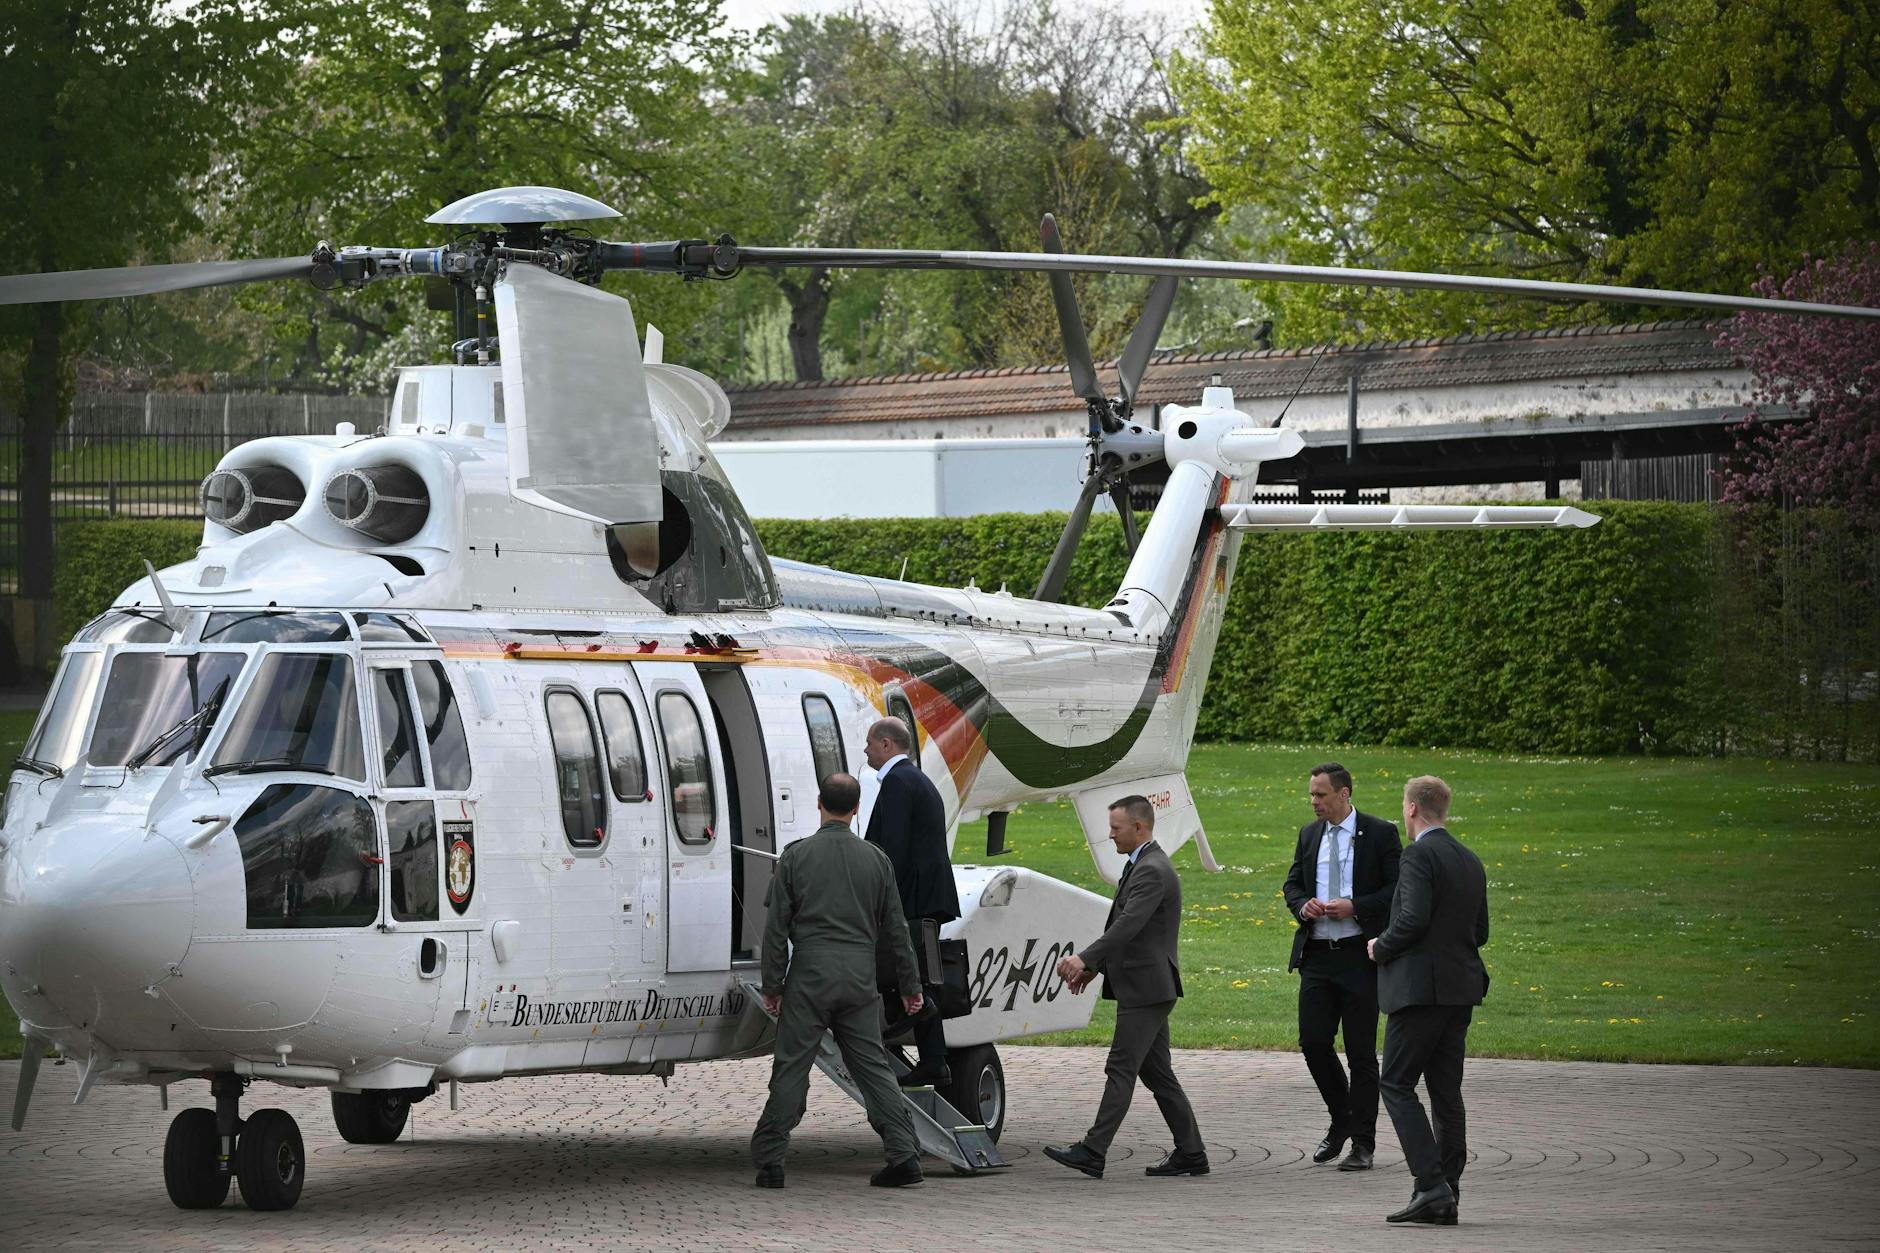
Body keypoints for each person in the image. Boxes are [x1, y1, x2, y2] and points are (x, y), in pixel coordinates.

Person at [750, 772, 928, 1190]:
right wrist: (910, 986)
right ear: (856, 808)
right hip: (859, 976)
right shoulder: (876, 859)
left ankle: (771, 1159)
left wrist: (773, 986)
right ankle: (903, 1152)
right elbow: (897, 930)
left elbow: (776, 929)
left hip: (810, 974)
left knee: (792, 1067)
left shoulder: (795, 857)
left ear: (819, 804)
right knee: (871, 1067)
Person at [1043, 796, 1208, 1180]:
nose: (1110, 835)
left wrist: (1083, 959)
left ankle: (1093, 1151)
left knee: (1120, 1068)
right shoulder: (1141, 864)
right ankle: (1192, 1154)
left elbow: (1128, 925)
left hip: (1146, 990)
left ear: (1140, 827)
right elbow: (1128, 928)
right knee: (1158, 1074)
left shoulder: (1152, 870)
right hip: (1148, 987)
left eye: (1116, 828)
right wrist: (1094, 968)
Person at [1368, 775, 1490, 1226]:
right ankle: (1449, 1187)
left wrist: (1380, 946)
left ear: (1412, 809)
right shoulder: (1469, 859)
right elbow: (1480, 932)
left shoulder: (1418, 855)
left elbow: (1413, 919)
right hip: (1460, 991)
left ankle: (1431, 1184)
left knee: (1396, 1083)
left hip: (1420, 992)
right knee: (1445, 1091)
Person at [1281, 762, 1402, 1171]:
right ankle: (1343, 1118)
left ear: (1344, 793)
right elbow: (1292, 884)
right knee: (1313, 1043)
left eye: (1321, 795)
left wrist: (1357, 906)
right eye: (1312, 794)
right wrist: (1303, 905)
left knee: (1361, 1054)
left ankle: (1362, 1144)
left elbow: (1397, 890)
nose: (1314, 802)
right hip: (1317, 955)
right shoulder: (1309, 834)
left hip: (1358, 956)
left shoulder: (1380, 834)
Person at [861, 715, 961, 1087]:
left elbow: (894, 851)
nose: (866, 750)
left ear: (887, 744)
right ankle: (932, 1058)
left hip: (914, 896)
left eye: (870, 743)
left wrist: (883, 902)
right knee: (918, 977)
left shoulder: (898, 782)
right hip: (927, 893)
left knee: (914, 978)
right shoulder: (914, 779)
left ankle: (933, 1059)